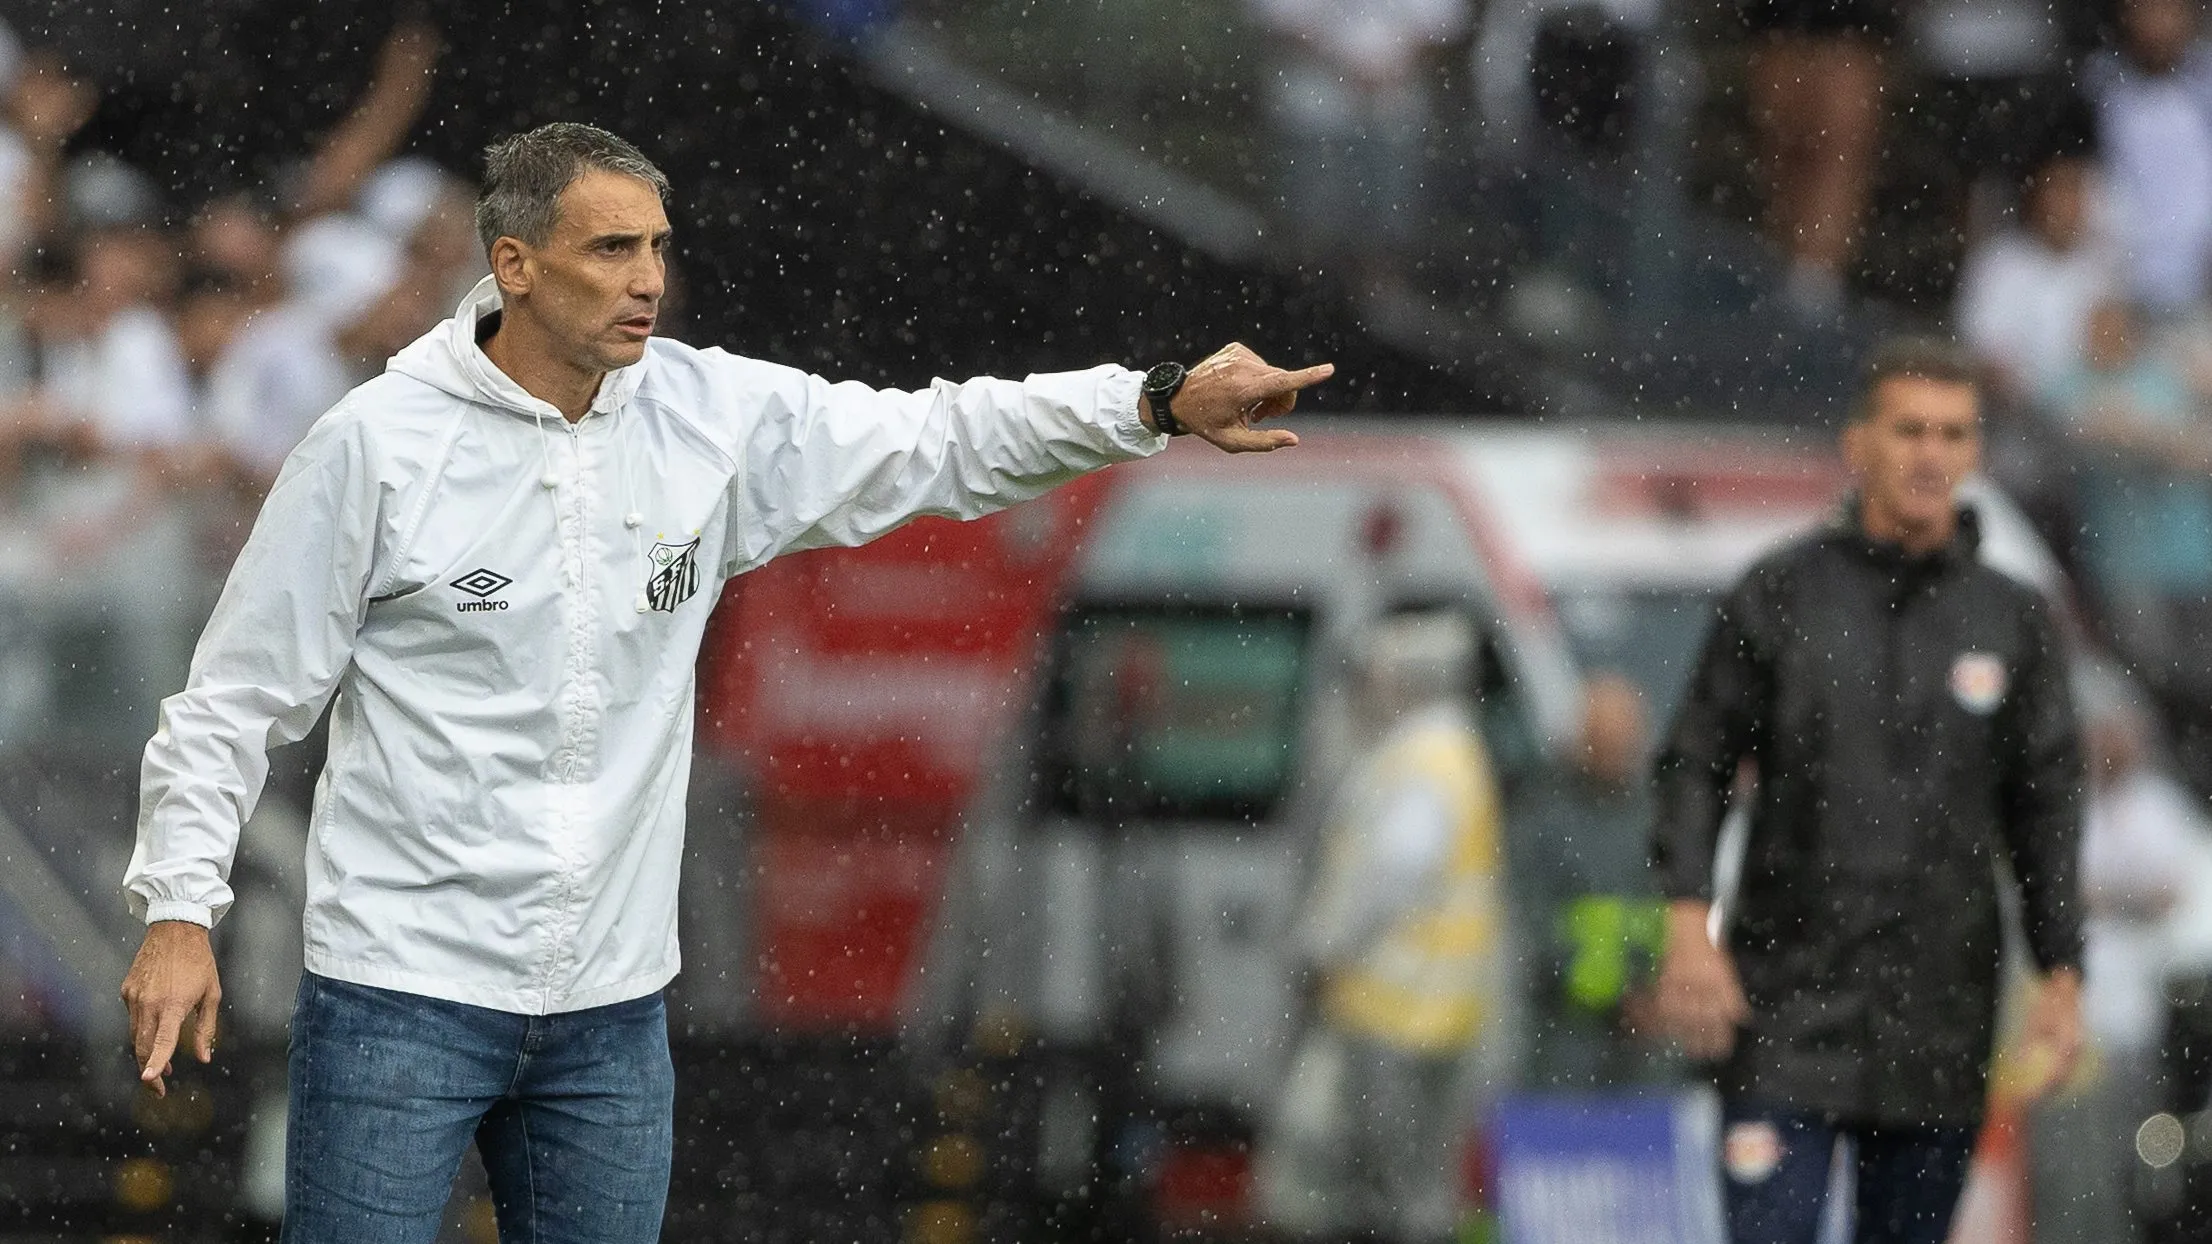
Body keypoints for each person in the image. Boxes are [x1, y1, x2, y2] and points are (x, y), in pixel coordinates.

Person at [116, 121, 1331, 1243]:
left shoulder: (713, 413)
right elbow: (232, 700)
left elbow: (941, 439)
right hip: (399, 992)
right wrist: (178, 910)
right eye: (611, 248)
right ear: (513, 266)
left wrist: (1151, 400)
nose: (648, 277)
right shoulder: (376, 444)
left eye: (657, 246)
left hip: (609, 1011)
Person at [1647, 337, 2085, 1244]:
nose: (1931, 454)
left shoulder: (2013, 619)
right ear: (1858, 444)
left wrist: (2062, 972)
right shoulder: (1781, 593)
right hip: (1783, 1011)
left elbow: (2045, 808)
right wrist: (1690, 925)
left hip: (1939, 1022)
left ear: (1975, 452)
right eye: (1909, 430)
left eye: (1953, 434)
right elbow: (1695, 761)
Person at [1260, 612, 1514, 1244]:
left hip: (1394, 1008)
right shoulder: (1454, 750)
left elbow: (1390, 875)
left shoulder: (1423, 761)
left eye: (1376, 677)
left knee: (1382, 1182)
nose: (1368, 691)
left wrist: (1324, 946)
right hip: (1434, 1009)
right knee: (1411, 1181)